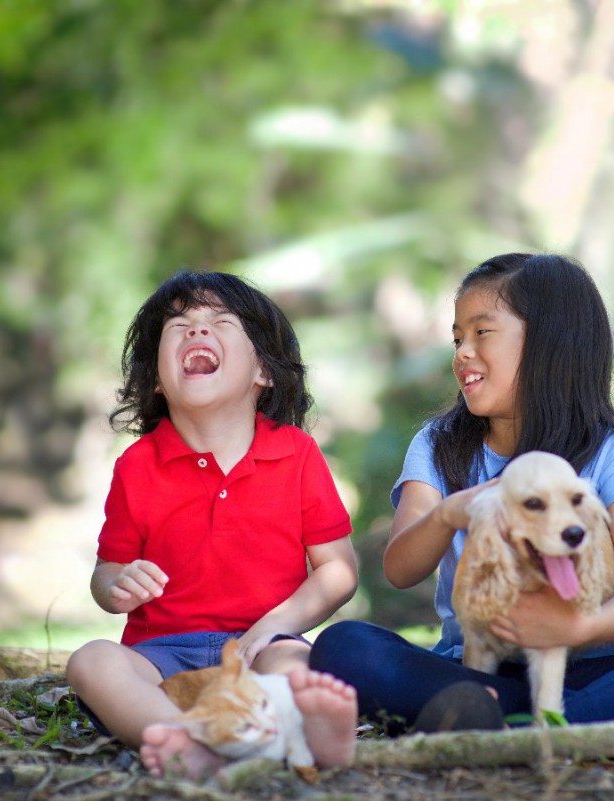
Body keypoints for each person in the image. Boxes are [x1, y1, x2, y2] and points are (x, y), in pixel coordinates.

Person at [309, 253, 614, 733]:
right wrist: (448, 514)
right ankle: (543, 716)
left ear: (547, 343)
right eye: (457, 338)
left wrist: (578, 628)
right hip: (477, 668)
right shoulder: (438, 446)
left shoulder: (612, 450)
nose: (462, 353)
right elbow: (400, 569)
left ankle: (534, 720)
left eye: (482, 333)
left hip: (594, 665)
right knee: (344, 646)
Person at [67, 271, 360, 779]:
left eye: (220, 322)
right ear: (156, 379)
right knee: (91, 661)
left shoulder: (297, 453)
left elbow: (337, 570)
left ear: (263, 371)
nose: (196, 331)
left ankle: (314, 731)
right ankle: (186, 741)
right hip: (159, 658)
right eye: (178, 325)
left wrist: (278, 624)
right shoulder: (137, 465)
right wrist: (116, 585)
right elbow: (106, 572)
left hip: (262, 643)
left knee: (294, 670)